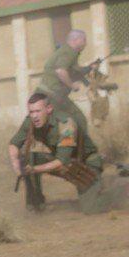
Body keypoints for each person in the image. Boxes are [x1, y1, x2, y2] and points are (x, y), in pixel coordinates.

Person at [7, 92, 89, 210]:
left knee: (91, 207)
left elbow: (62, 161)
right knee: (27, 157)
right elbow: (14, 143)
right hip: (56, 159)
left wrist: (34, 169)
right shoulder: (30, 121)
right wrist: (16, 165)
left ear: (49, 109)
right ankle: (36, 201)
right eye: (31, 112)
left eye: (38, 111)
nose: (34, 116)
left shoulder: (66, 124)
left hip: (80, 163)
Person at [35, 30, 102, 167]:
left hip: (44, 94)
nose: (85, 44)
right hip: (54, 96)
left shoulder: (66, 52)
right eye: (84, 40)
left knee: (60, 125)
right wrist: (72, 85)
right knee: (79, 120)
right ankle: (81, 155)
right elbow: (61, 71)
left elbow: (74, 71)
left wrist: (90, 67)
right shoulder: (69, 52)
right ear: (76, 40)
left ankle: (69, 153)